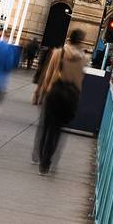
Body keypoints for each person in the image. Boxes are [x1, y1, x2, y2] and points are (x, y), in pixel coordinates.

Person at [32, 28, 86, 174]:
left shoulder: (58, 52)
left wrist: (40, 92)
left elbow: (48, 74)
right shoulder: (83, 59)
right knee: (56, 131)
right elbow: (79, 82)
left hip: (54, 93)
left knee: (46, 126)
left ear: (69, 38)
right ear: (80, 41)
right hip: (69, 97)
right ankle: (46, 163)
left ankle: (39, 155)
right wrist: (76, 99)